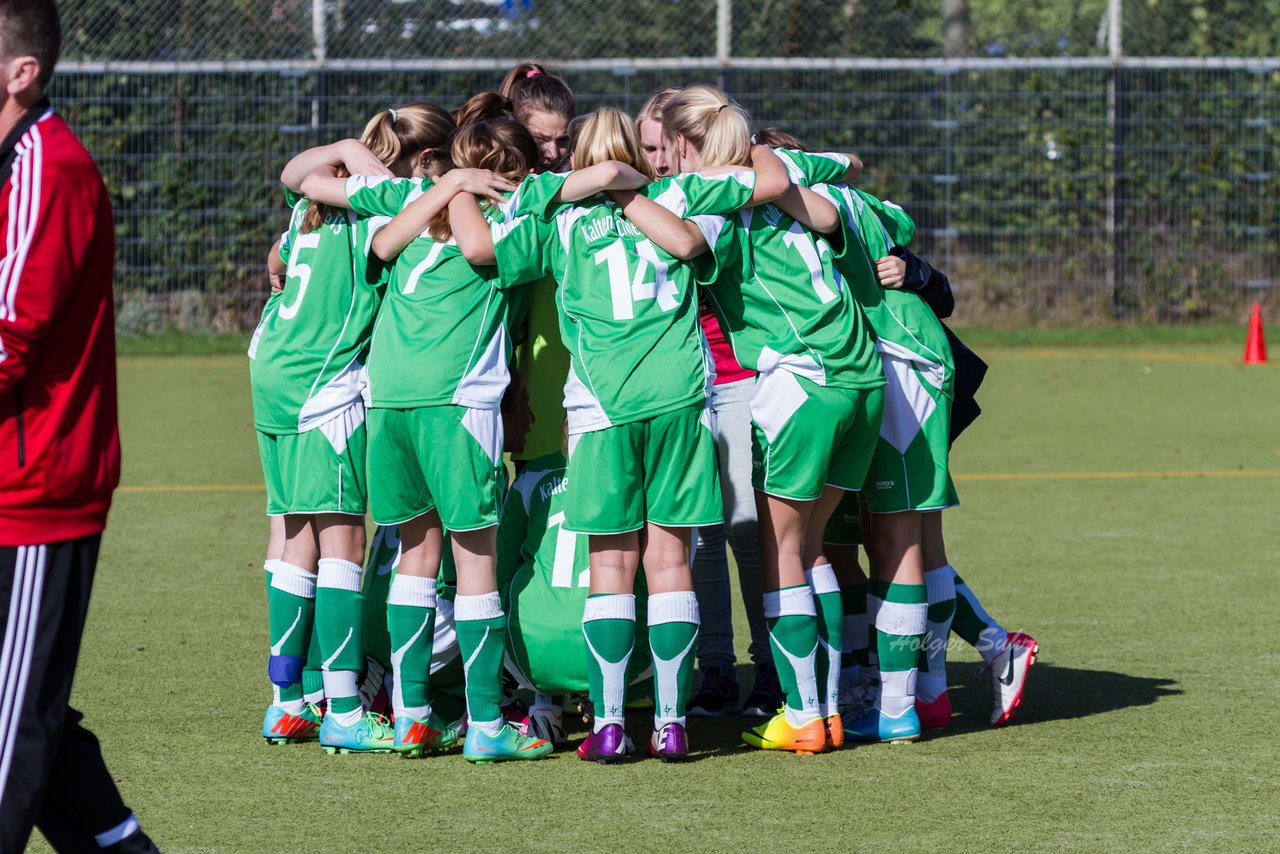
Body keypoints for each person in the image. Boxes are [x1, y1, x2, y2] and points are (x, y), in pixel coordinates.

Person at [449, 106, 791, 760]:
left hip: (599, 410)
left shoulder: (558, 222)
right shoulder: (675, 195)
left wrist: (457, 184)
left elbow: (480, 251)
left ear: (578, 160)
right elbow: (768, 185)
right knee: (669, 563)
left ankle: (608, 725)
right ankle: (670, 723)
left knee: (610, 567)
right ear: (637, 151)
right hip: (680, 401)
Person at [662, 86, 882, 754]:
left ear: (683, 144)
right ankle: (830, 706)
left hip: (802, 382)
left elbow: (681, 237)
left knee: (784, 553)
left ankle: (803, 714)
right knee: (810, 548)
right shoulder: (784, 181)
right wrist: (794, 166)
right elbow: (831, 179)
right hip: (861, 379)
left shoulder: (713, 196)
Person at [0, 1, 157, 849]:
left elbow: (7, 337)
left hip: (33, 489)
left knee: (9, 720)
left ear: (21, 73)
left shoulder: (47, 169)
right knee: (26, 710)